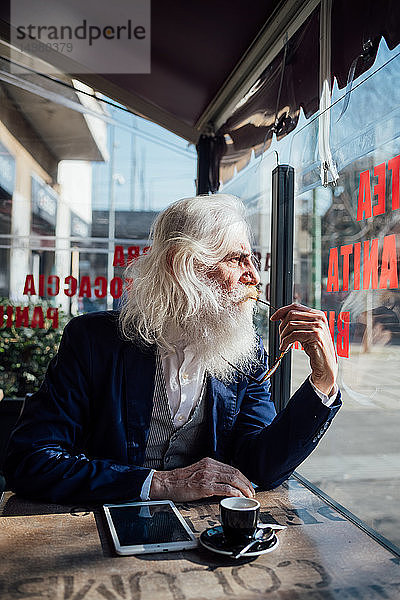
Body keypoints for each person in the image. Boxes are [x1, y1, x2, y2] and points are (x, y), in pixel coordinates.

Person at [5, 195, 341, 505]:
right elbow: (31, 459)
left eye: (251, 260)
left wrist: (322, 383)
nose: (254, 276)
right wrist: (160, 484)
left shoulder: (246, 352)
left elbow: (260, 468)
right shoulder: (93, 341)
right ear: (184, 266)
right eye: (238, 259)